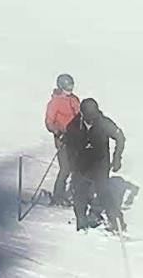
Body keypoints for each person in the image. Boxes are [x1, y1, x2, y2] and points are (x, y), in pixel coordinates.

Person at [61, 97, 126, 232]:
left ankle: (116, 222)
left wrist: (117, 158)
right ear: (82, 114)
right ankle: (81, 222)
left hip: (100, 162)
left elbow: (120, 137)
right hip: (81, 163)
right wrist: (73, 164)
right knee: (79, 192)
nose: (91, 120)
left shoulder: (104, 122)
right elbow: (69, 146)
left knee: (103, 191)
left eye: (94, 116)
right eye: (89, 117)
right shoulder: (73, 126)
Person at [44, 73, 81, 206]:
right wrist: (57, 131)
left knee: (77, 168)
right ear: (61, 86)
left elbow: (80, 115)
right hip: (63, 139)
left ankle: (76, 192)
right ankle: (58, 196)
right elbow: (49, 121)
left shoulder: (74, 99)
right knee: (65, 168)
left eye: (72, 86)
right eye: (67, 87)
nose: (70, 89)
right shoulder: (55, 102)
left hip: (76, 138)